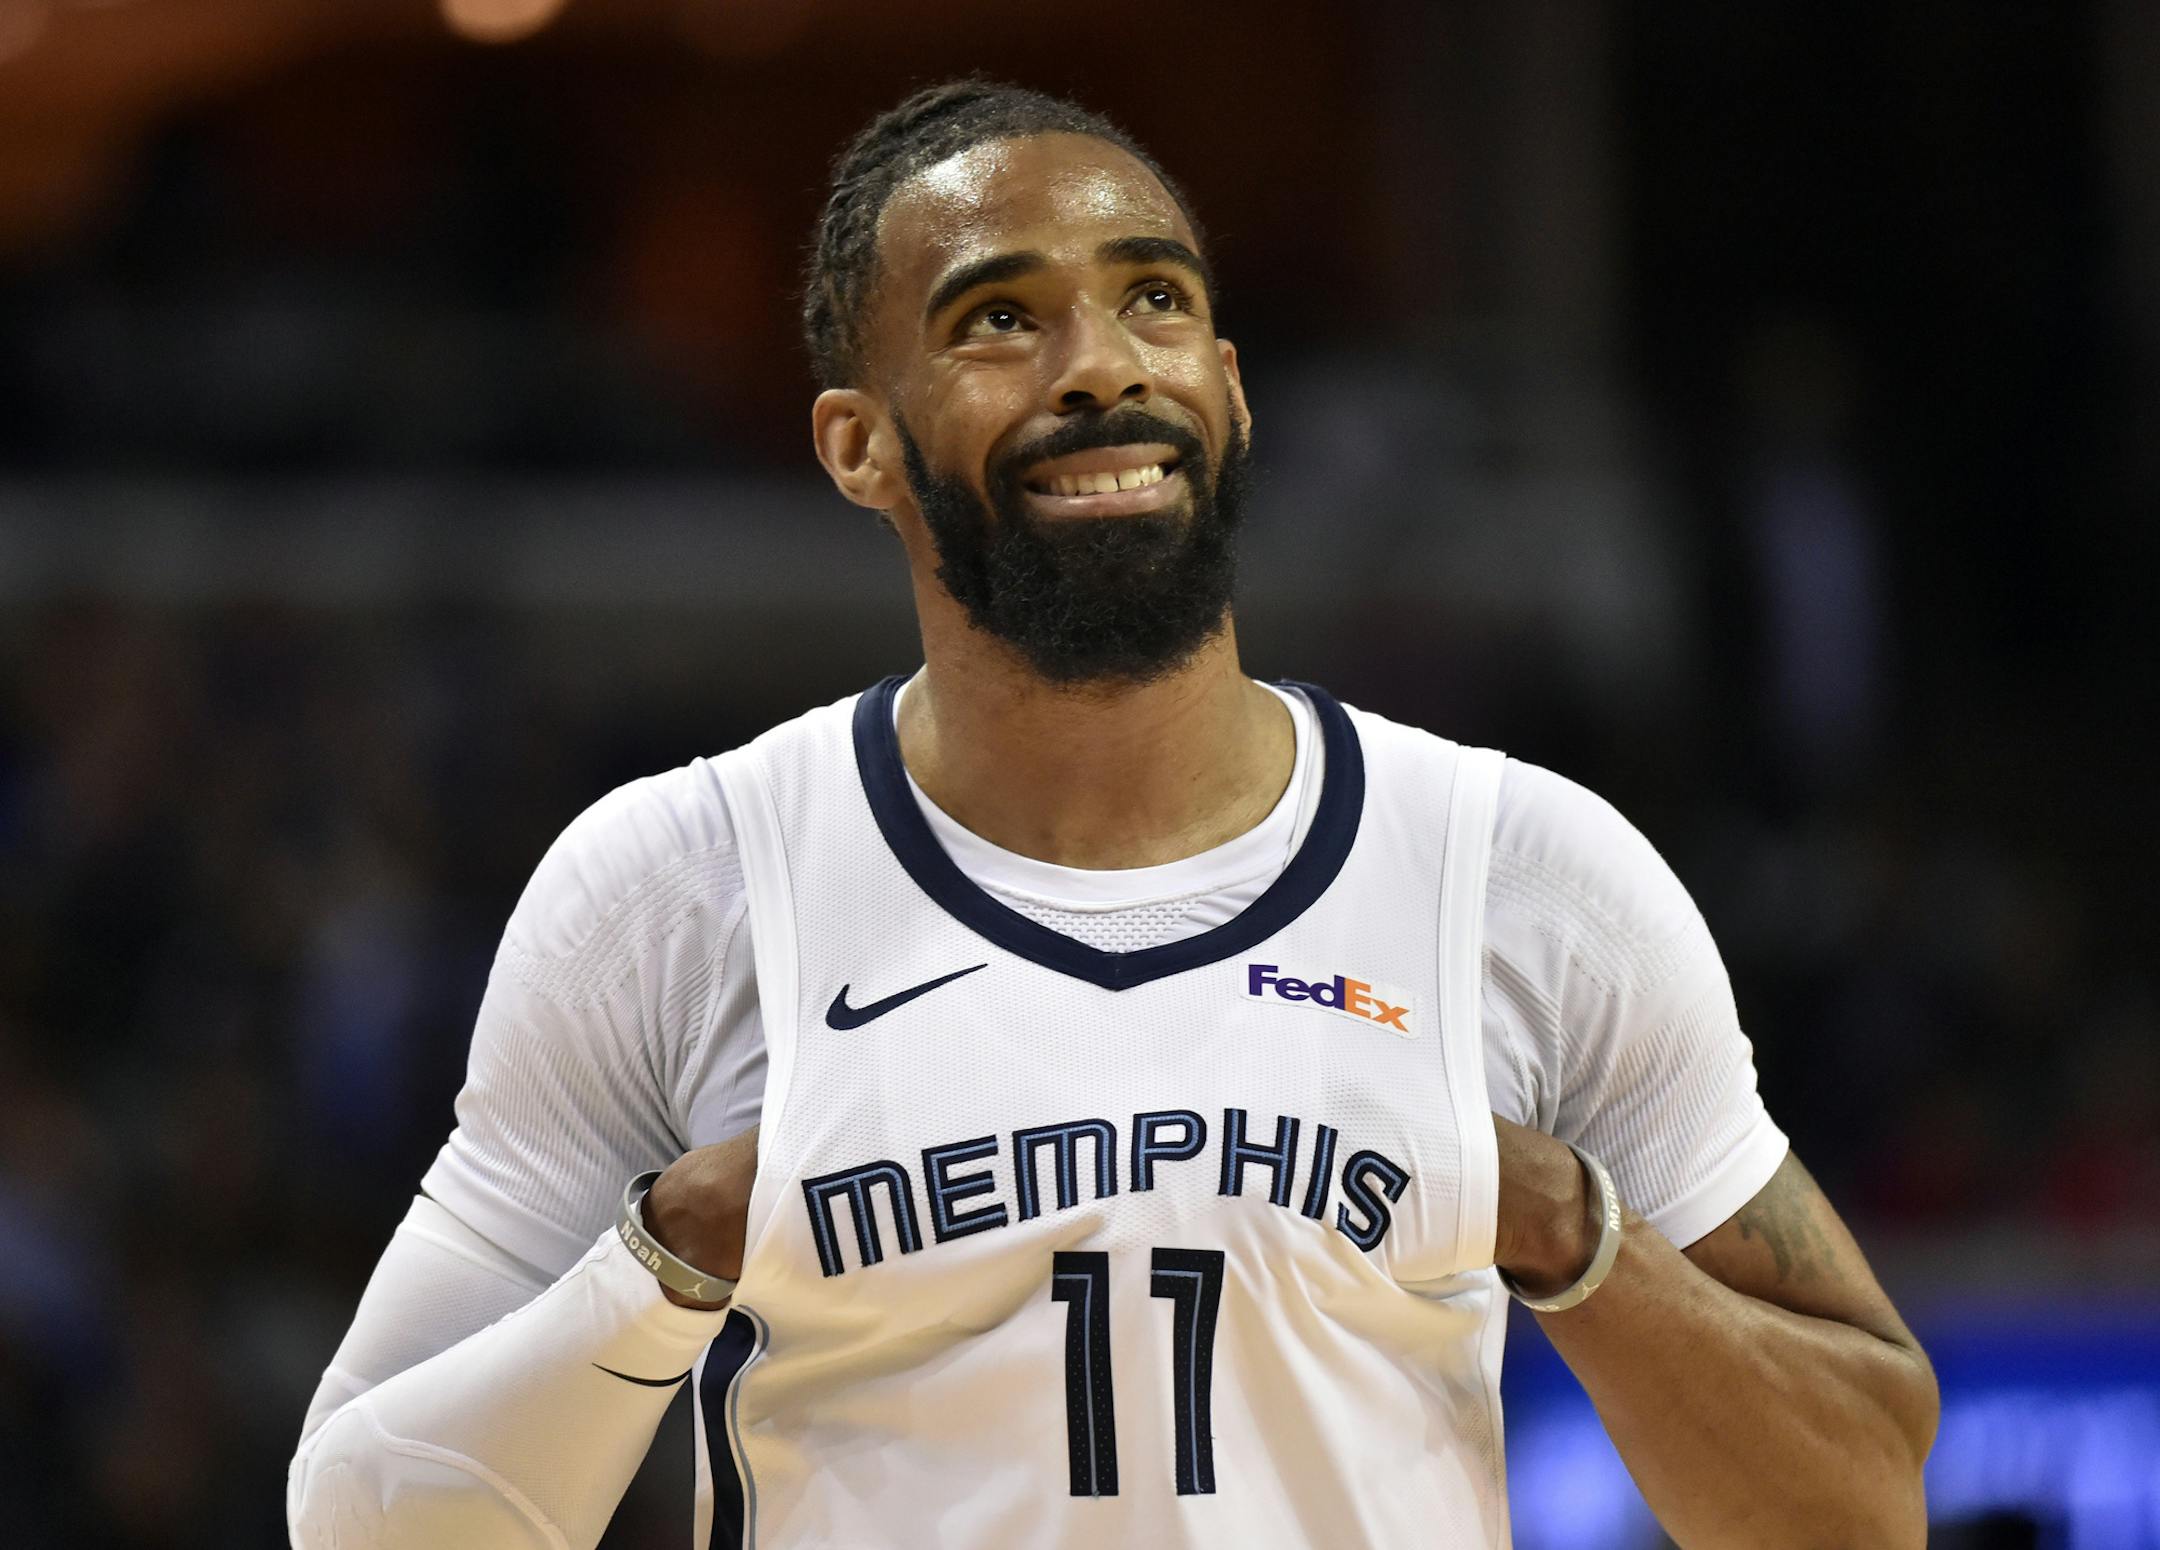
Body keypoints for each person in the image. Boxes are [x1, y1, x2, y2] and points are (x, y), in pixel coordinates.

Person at [286, 80, 1938, 1549]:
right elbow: (362, 1519)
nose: (1100, 366)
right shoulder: (678, 886)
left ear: (1229, 384)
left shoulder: (1523, 875)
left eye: (1155, 298)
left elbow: (1862, 1503)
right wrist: (666, 1257)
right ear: (858, 445)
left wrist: (1566, 1226)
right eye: (1000, 318)